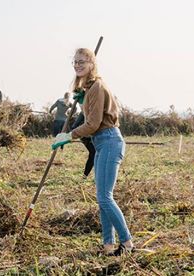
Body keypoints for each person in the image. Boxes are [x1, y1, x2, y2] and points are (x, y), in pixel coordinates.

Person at [52, 48, 134, 256]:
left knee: (105, 197)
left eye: (83, 61)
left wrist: (69, 135)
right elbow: (91, 117)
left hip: (109, 140)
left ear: (92, 63)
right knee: (102, 197)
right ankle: (108, 245)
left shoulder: (97, 86)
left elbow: (94, 123)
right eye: (75, 62)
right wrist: (83, 99)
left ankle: (127, 243)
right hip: (101, 143)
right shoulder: (90, 89)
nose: (78, 65)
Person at [71, 112, 95, 178]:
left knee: (97, 154)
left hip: (95, 136)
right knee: (93, 153)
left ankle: (88, 175)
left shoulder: (96, 110)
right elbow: (74, 126)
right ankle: (85, 175)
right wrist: (82, 135)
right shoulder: (83, 113)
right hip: (86, 137)